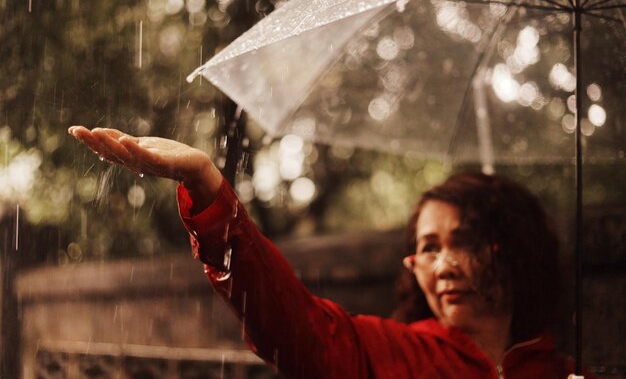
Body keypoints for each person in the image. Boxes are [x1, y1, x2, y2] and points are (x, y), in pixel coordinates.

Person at [68, 125, 588, 379]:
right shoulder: (387, 354)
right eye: (428, 248)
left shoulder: (564, 370)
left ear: (515, 249)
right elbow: (289, 323)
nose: (444, 265)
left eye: (464, 242)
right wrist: (208, 186)